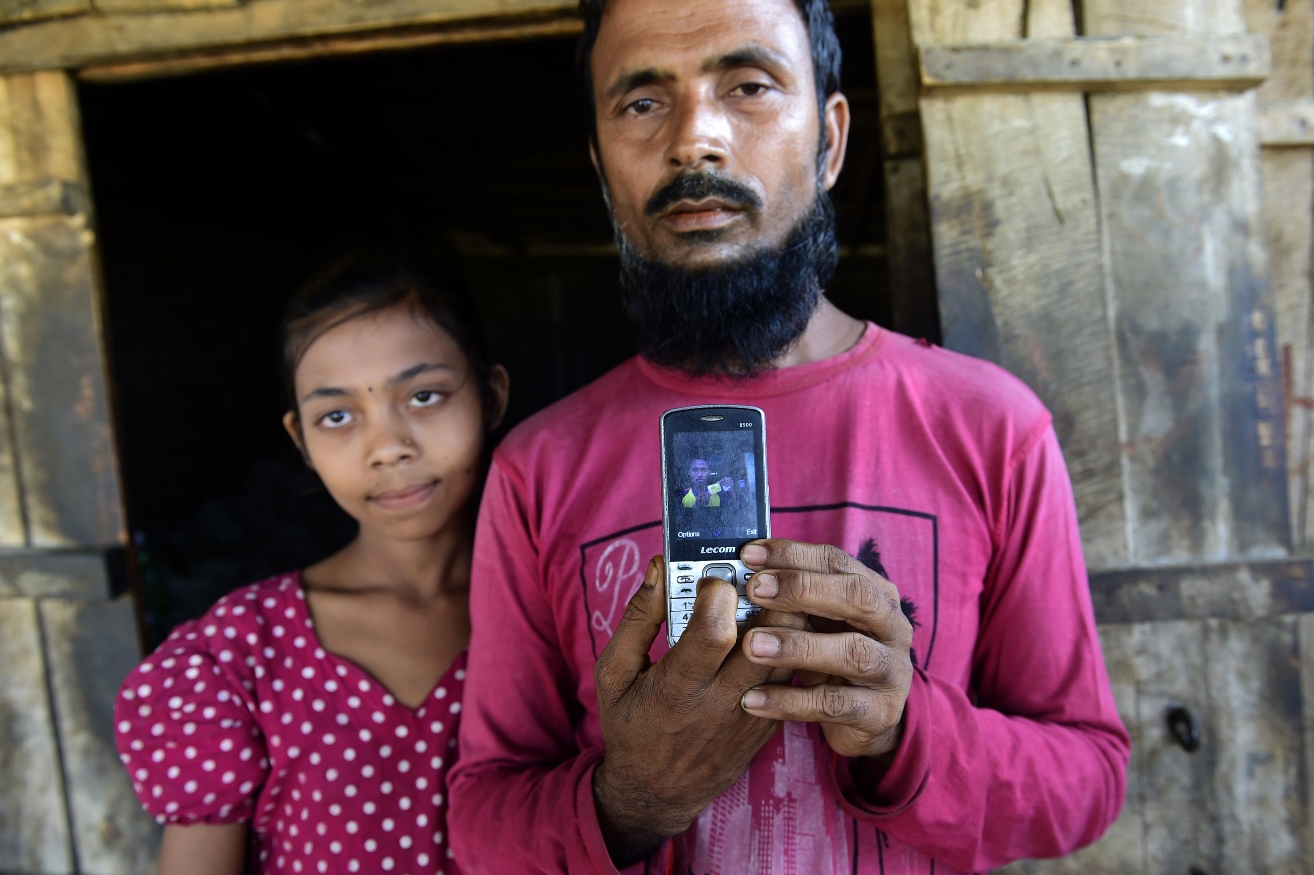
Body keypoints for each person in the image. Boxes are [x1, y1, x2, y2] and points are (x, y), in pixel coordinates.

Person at [448, 0, 1130, 870]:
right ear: (599, 164)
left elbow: (1089, 776)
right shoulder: (537, 470)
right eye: (642, 103)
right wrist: (633, 796)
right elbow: (481, 820)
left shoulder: (991, 427)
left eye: (750, 86)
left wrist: (903, 731)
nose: (696, 139)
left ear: (831, 140)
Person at [113, 256, 509, 875]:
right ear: (300, 440)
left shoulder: (560, 613)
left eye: (425, 395)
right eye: (338, 416)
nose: (388, 448)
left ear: (490, 396)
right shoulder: (241, 654)